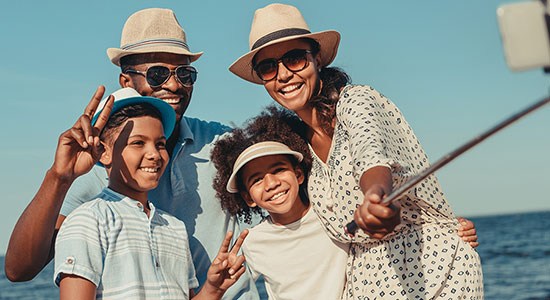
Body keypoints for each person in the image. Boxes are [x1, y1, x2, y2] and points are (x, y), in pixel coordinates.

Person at [229, 3, 483, 299]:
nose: (283, 74)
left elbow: (371, 158)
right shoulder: (300, 146)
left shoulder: (356, 102)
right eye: (268, 67)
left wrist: (376, 198)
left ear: (318, 60)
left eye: (295, 59)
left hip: (432, 271)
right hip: (365, 281)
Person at [5, 8, 259, 299]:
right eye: (158, 73)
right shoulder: (97, 166)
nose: (175, 84)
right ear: (126, 82)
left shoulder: (222, 143)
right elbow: (18, 270)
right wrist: (59, 178)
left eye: (185, 73)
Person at [54, 87, 248, 299]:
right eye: (138, 143)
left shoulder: (174, 228)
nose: (154, 154)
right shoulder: (87, 220)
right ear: (104, 152)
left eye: (160, 144)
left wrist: (213, 290)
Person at [211, 107, 349, 300]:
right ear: (248, 198)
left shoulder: (331, 213)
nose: (271, 183)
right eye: (256, 180)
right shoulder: (253, 242)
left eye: (278, 170)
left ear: (299, 174)